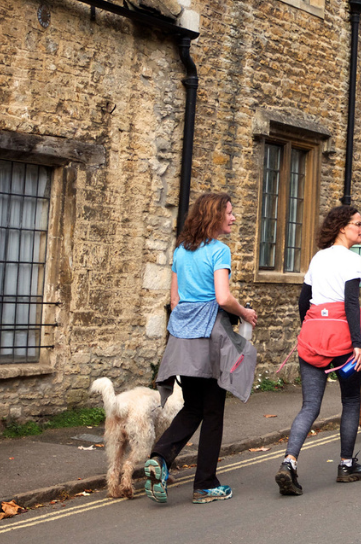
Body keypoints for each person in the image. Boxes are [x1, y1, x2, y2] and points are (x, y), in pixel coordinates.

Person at [147, 192, 259, 505]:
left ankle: (159, 457)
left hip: (182, 339)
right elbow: (223, 298)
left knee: (193, 406)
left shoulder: (181, 251)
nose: (234, 218)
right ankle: (205, 484)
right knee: (212, 412)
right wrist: (245, 313)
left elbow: (175, 300)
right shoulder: (219, 251)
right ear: (215, 216)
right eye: (230, 213)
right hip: (210, 339)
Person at [275, 205, 361, 496]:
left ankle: (289, 462)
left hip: (314, 335)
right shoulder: (353, 260)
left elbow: (303, 300)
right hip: (343, 339)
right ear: (343, 227)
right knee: (352, 400)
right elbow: (351, 302)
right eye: (358, 223)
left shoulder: (318, 258)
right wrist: (358, 344)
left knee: (310, 406)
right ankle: (345, 465)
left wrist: (310, 326)